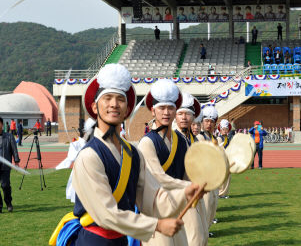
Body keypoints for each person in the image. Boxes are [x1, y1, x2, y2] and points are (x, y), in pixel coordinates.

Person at [49, 64, 202, 246]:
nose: (114, 104)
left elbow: (152, 199)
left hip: (122, 239)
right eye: (107, 98)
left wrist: (186, 193)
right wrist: (156, 226)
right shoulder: (88, 156)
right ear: (95, 107)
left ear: (127, 109)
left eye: (120, 99)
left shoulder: (133, 153)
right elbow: (106, 214)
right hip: (94, 240)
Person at [138, 83, 208, 246]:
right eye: (161, 108)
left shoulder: (181, 142)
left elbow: (187, 172)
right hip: (156, 211)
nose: (166, 112)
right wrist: (190, 186)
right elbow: (157, 177)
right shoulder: (147, 142)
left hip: (178, 207)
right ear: (153, 110)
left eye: (170, 108)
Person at [195, 105, 220, 236]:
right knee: (206, 206)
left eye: (212, 122)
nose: (209, 124)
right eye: (206, 121)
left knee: (212, 206)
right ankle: (203, 231)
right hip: (204, 179)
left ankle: (206, 230)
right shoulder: (200, 137)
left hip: (213, 178)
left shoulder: (212, 137)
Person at [0, 117, 20, 213]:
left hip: (5, 166)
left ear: (2, 125)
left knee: (5, 185)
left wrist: (16, 161)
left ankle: (8, 203)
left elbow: (14, 150)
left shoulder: (9, 136)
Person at [217, 119, 232, 199]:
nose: (225, 131)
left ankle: (224, 193)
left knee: (227, 178)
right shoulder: (219, 138)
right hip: (221, 160)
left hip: (227, 160)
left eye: (226, 129)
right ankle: (220, 193)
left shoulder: (227, 138)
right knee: (222, 178)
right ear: (220, 130)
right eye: (223, 129)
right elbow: (221, 149)